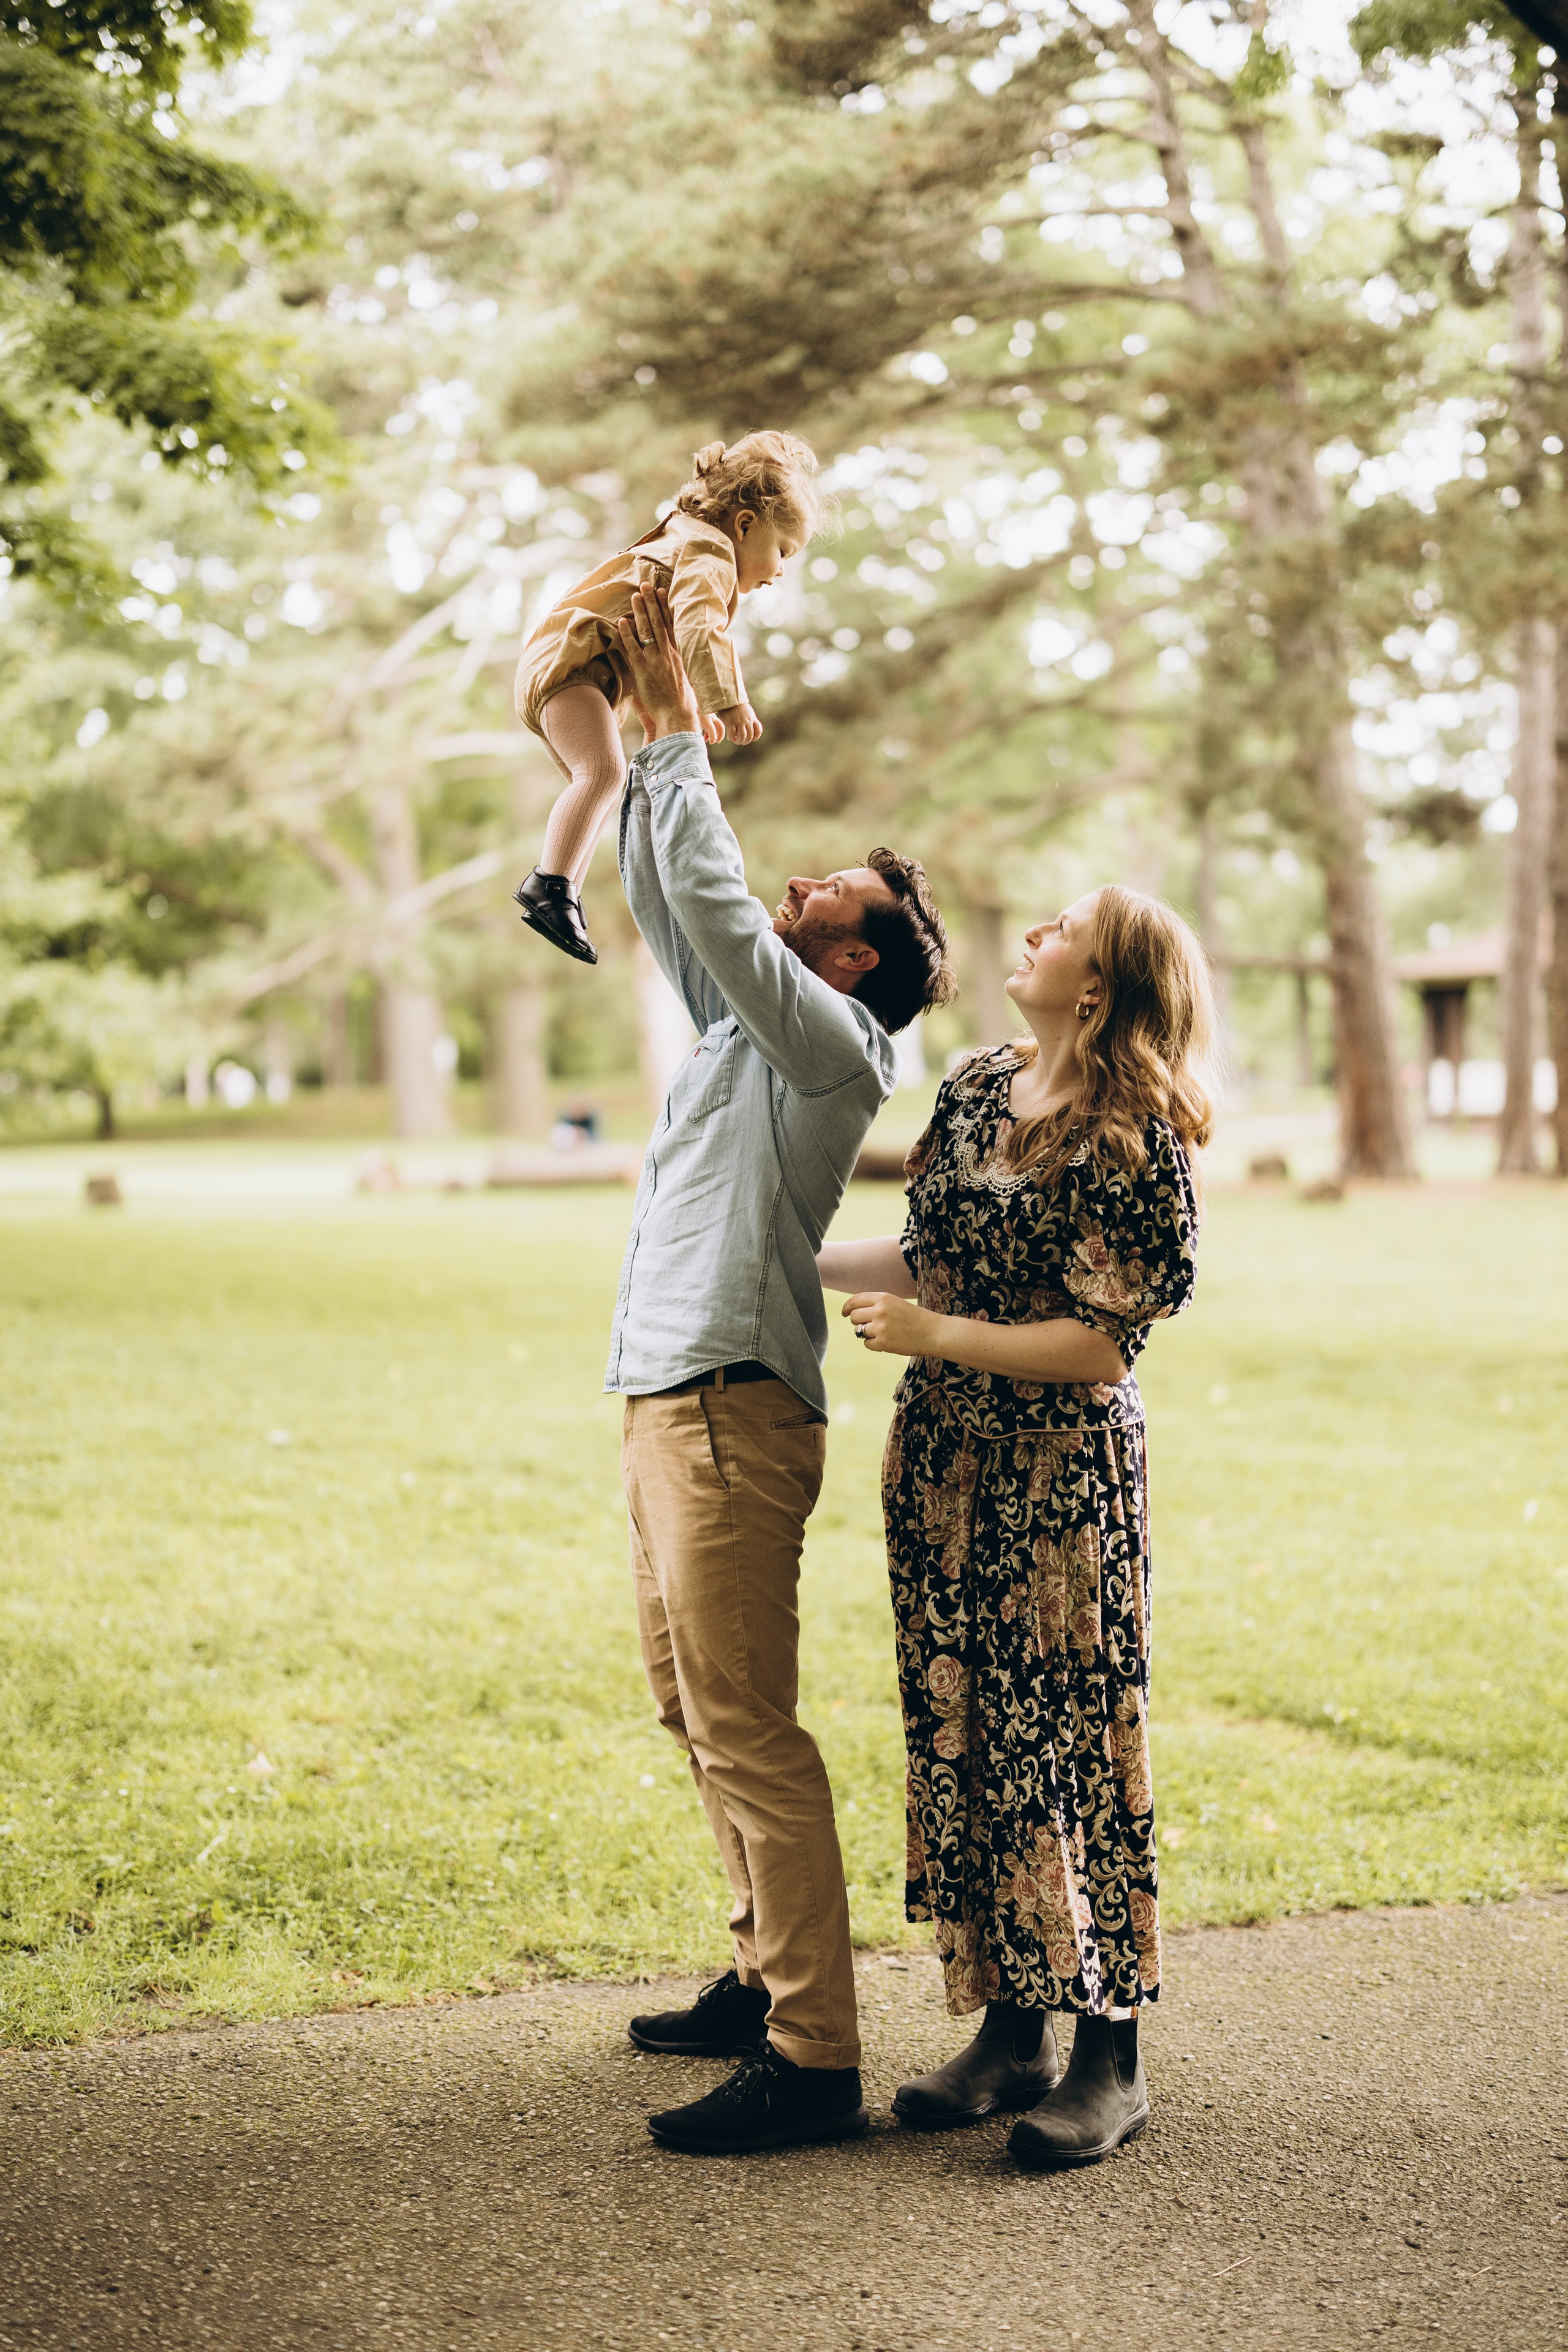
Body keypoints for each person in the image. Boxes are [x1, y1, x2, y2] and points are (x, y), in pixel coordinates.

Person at [603, 584, 956, 2157]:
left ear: (855, 952)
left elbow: (719, 903)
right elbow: (672, 900)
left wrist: (679, 728)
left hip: (732, 1405)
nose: (801, 878)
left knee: (749, 1722)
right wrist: (634, 738)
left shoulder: (836, 1041)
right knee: (691, 1705)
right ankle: (763, 1973)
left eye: (836, 887)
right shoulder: (755, 1030)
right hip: (669, 1389)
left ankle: (813, 2054)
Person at [817, 886, 1215, 2170]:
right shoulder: (979, 1086)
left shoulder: (1130, 1131)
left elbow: (1100, 1345)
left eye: (1062, 930)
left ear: (1097, 986)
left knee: (1071, 1746)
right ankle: (1010, 2030)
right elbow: (926, 1254)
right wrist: (778, 1251)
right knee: (969, 1730)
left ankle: (1111, 2060)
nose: (1033, 934)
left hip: (1060, 1479)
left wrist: (938, 1339)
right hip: (943, 1466)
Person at [511, 432, 828, 966]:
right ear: (745, 524)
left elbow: (667, 645)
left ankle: (563, 888)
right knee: (603, 776)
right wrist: (729, 700)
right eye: (782, 552)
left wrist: (693, 709)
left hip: (571, 667)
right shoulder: (711, 551)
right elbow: (699, 627)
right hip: (571, 667)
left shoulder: (683, 539)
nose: (778, 572)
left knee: (598, 783)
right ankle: (549, 886)